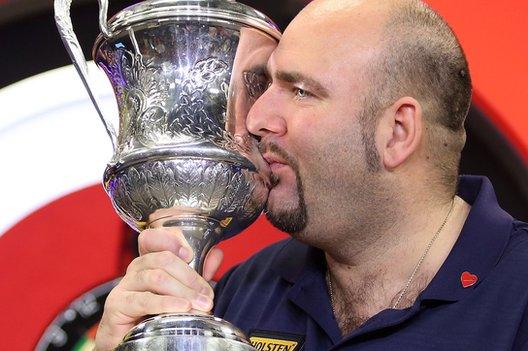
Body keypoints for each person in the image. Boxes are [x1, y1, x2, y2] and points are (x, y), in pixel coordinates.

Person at [94, 0, 528, 350]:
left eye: (301, 91)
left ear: (397, 133)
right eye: (265, 87)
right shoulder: (245, 291)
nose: (257, 118)